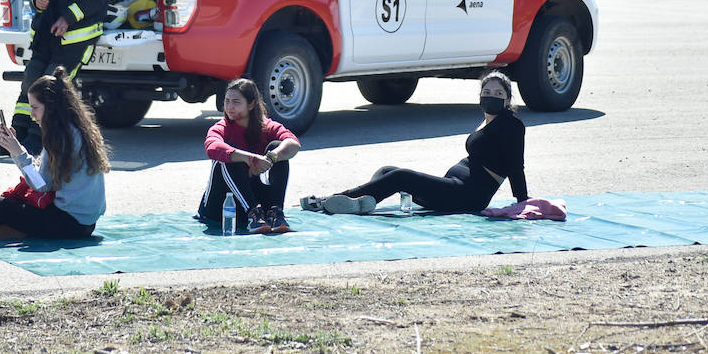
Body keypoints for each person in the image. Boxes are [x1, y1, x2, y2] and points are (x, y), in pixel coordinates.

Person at [318, 71, 526, 214]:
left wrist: (522, 201)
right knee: (386, 171)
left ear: (508, 100)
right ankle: (363, 203)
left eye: (499, 94)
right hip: (452, 189)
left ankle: (336, 199)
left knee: (400, 176)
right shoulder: (488, 120)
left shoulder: (511, 125)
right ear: (480, 96)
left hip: (466, 196)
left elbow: (516, 167)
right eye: (487, 93)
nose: (492, 97)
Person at [4, 0, 109, 153]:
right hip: (47, 35)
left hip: (76, 36)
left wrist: (67, 18)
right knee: (31, 81)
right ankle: (16, 136)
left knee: (51, 86)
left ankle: (38, 140)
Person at [0, 66, 110, 239]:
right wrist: (17, 147)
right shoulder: (79, 128)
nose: (32, 114)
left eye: (35, 107)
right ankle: (25, 230)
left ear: (51, 106)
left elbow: (42, 185)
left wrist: (17, 152)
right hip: (88, 223)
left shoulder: (60, 137)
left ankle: (25, 233)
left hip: (66, 222)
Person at [199, 78, 301, 233]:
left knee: (277, 148)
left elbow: (293, 143)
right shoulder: (222, 127)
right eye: (227, 101)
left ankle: (275, 213)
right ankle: (253, 212)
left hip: (254, 202)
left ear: (251, 104)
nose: (230, 107)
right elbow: (212, 147)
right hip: (221, 208)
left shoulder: (267, 126)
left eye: (236, 102)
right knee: (227, 153)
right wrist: (249, 158)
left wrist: (271, 157)